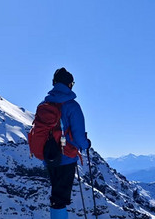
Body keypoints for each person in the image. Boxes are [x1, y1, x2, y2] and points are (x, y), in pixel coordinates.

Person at [43, 67, 91, 219]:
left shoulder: (45, 105)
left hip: (49, 156)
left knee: (56, 193)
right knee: (61, 198)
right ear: (69, 84)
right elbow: (78, 135)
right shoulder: (72, 106)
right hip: (66, 157)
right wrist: (86, 145)